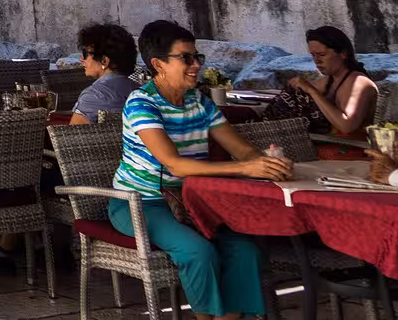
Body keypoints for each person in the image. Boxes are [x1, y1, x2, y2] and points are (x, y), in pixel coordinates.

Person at [112, 19, 287, 320]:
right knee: (197, 252)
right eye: (186, 58)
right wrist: (245, 169)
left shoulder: (199, 102)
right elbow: (174, 163)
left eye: (197, 57)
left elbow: (239, 148)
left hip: (195, 200)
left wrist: (267, 163)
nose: (196, 65)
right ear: (159, 64)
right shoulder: (142, 102)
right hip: (141, 203)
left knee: (244, 251)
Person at [264, 25, 379, 137]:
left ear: (343, 54)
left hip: (351, 148)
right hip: (326, 142)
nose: (317, 61)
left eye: (322, 55)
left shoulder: (359, 83)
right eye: (313, 55)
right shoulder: (328, 80)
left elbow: (346, 126)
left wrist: (312, 91)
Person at [69, 23, 140, 125]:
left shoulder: (92, 97)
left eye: (85, 54)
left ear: (104, 61)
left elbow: (73, 136)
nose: (81, 59)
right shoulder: (141, 92)